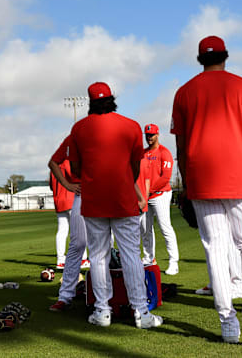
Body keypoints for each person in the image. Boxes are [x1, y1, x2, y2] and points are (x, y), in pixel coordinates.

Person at [171, 36, 242, 346]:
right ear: (225, 56)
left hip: (202, 178)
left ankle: (228, 324)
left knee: (215, 248)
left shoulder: (184, 92)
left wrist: (188, 182)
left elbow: (180, 145)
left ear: (199, 59)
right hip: (239, 177)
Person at [69, 82, 163, 329]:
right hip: (123, 199)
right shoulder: (131, 126)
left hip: (94, 200)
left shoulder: (79, 128)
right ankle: (141, 313)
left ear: (90, 102)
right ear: (112, 99)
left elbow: (76, 169)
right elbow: (135, 168)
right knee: (132, 255)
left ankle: (102, 311)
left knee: (98, 256)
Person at [48, 135, 89, 312]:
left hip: (101, 195)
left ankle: (106, 298)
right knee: (77, 242)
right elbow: (53, 163)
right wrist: (68, 185)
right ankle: (65, 296)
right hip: (78, 196)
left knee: (105, 245)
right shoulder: (76, 135)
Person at [140, 124, 179, 275]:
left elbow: (165, 177)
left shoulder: (164, 152)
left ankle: (173, 261)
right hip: (146, 196)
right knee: (144, 228)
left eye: (152, 135)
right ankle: (149, 258)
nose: (149, 137)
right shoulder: (143, 153)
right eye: (147, 135)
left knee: (165, 227)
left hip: (161, 194)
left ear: (157, 135)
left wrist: (149, 190)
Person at [49, 144, 89, 270]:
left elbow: (51, 185)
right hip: (71, 199)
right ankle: (82, 259)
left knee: (62, 231)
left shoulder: (54, 166)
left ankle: (60, 260)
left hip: (58, 200)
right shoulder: (68, 162)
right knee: (79, 231)